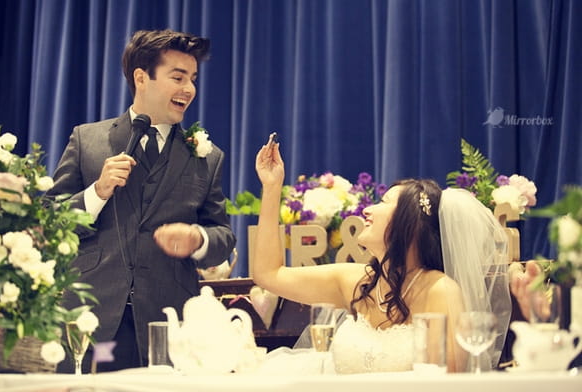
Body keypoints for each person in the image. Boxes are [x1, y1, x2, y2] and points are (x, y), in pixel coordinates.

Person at [48, 29, 236, 371]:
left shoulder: (207, 157)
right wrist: (96, 193)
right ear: (141, 78)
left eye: (192, 79)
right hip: (92, 318)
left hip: (170, 323)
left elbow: (223, 237)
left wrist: (199, 239)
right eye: (177, 77)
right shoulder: (87, 140)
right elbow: (49, 225)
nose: (189, 89)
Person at [253, 139, 511, 373]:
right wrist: (272, 187)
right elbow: (269, 275)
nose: (369, 209)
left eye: (384, 202)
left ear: (410, 224)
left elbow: (445, 383)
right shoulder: (355, 281)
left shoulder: (440, 291)